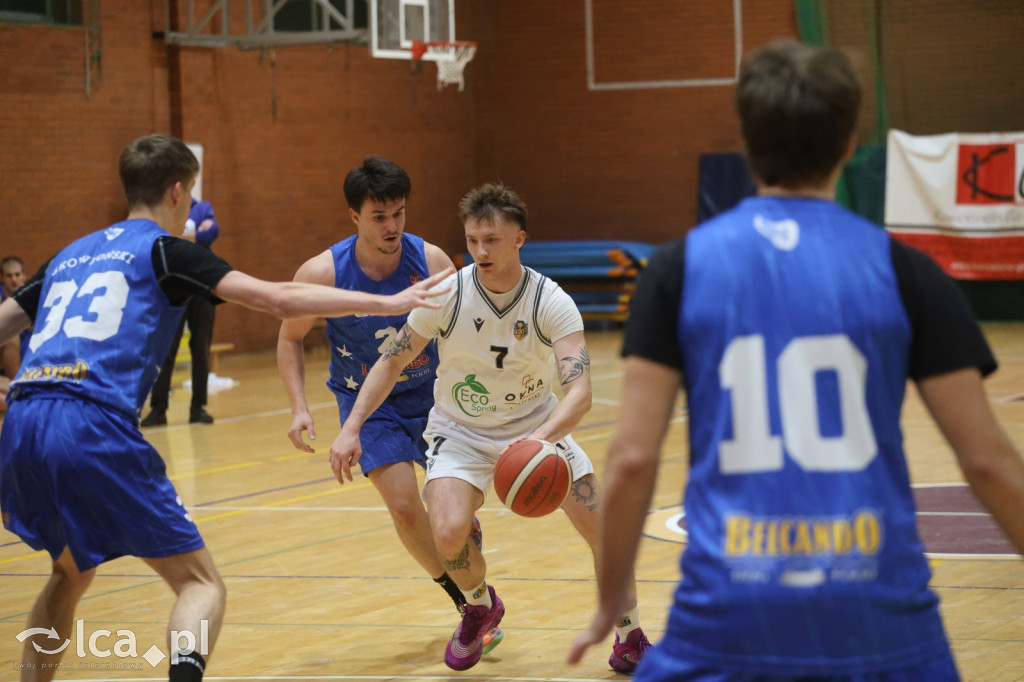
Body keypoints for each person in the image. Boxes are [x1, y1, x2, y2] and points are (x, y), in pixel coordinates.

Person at [568, 39, 1024, 681]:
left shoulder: (677, 270)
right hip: (879, 616)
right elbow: (988, 462)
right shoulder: (907, 271)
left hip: (727, 617)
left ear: (747, 141)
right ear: (848, 144)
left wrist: (610, 600)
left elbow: (633, 460)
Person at [0, 134, 451, 682]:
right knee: (200, 584)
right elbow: (280, 299)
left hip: (21, 420)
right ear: (176, 190)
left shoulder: (68, 254)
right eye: (189, 193)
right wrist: (388, 302)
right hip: (90, 420)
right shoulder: (166, 250)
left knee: (69, 574)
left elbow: (5, 324)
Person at [332, 182, 651, 673]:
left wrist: (537, 441)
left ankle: (630, 634)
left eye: (492, 241)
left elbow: (580, 394)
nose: (480, 251)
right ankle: (480, 604)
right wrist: (352, 426)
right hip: (460, 431)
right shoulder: (447, 294)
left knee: (605, 531)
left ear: (519, 239)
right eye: (473, 240)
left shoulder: (551, 300)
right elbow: (392, 362)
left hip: (536, 428)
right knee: (447, 532)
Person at [276, 155, 502, 651]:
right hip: (367, 403)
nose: (393, 226)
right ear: (353, 217)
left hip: (434, 397)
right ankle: (468, 601)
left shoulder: (435, 262)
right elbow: (289, 337)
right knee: (403, 507)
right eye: (380, 217)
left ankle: (462, 531)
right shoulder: (321, 273)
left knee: (446, 510)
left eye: (399, 213)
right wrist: (298, 407)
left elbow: (470, 326)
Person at [141, 198, 220, 426]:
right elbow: (157, 241)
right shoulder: (162, 208)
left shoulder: (203, 207)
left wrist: (178, 237)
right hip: (172, 286)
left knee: (201, 347)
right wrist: (193, 237)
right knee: (165, 348)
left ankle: (198, 408)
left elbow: (210, 234)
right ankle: (158, 409)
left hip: (201, 285)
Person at [1, 255, 30, 372]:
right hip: (6, 344)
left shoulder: (31, 293)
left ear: (24, 275)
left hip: (26, 343)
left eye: (17, 275)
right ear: (1, 277)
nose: (14, 279)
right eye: (9, 276)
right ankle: (16, 385)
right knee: (12, 337)